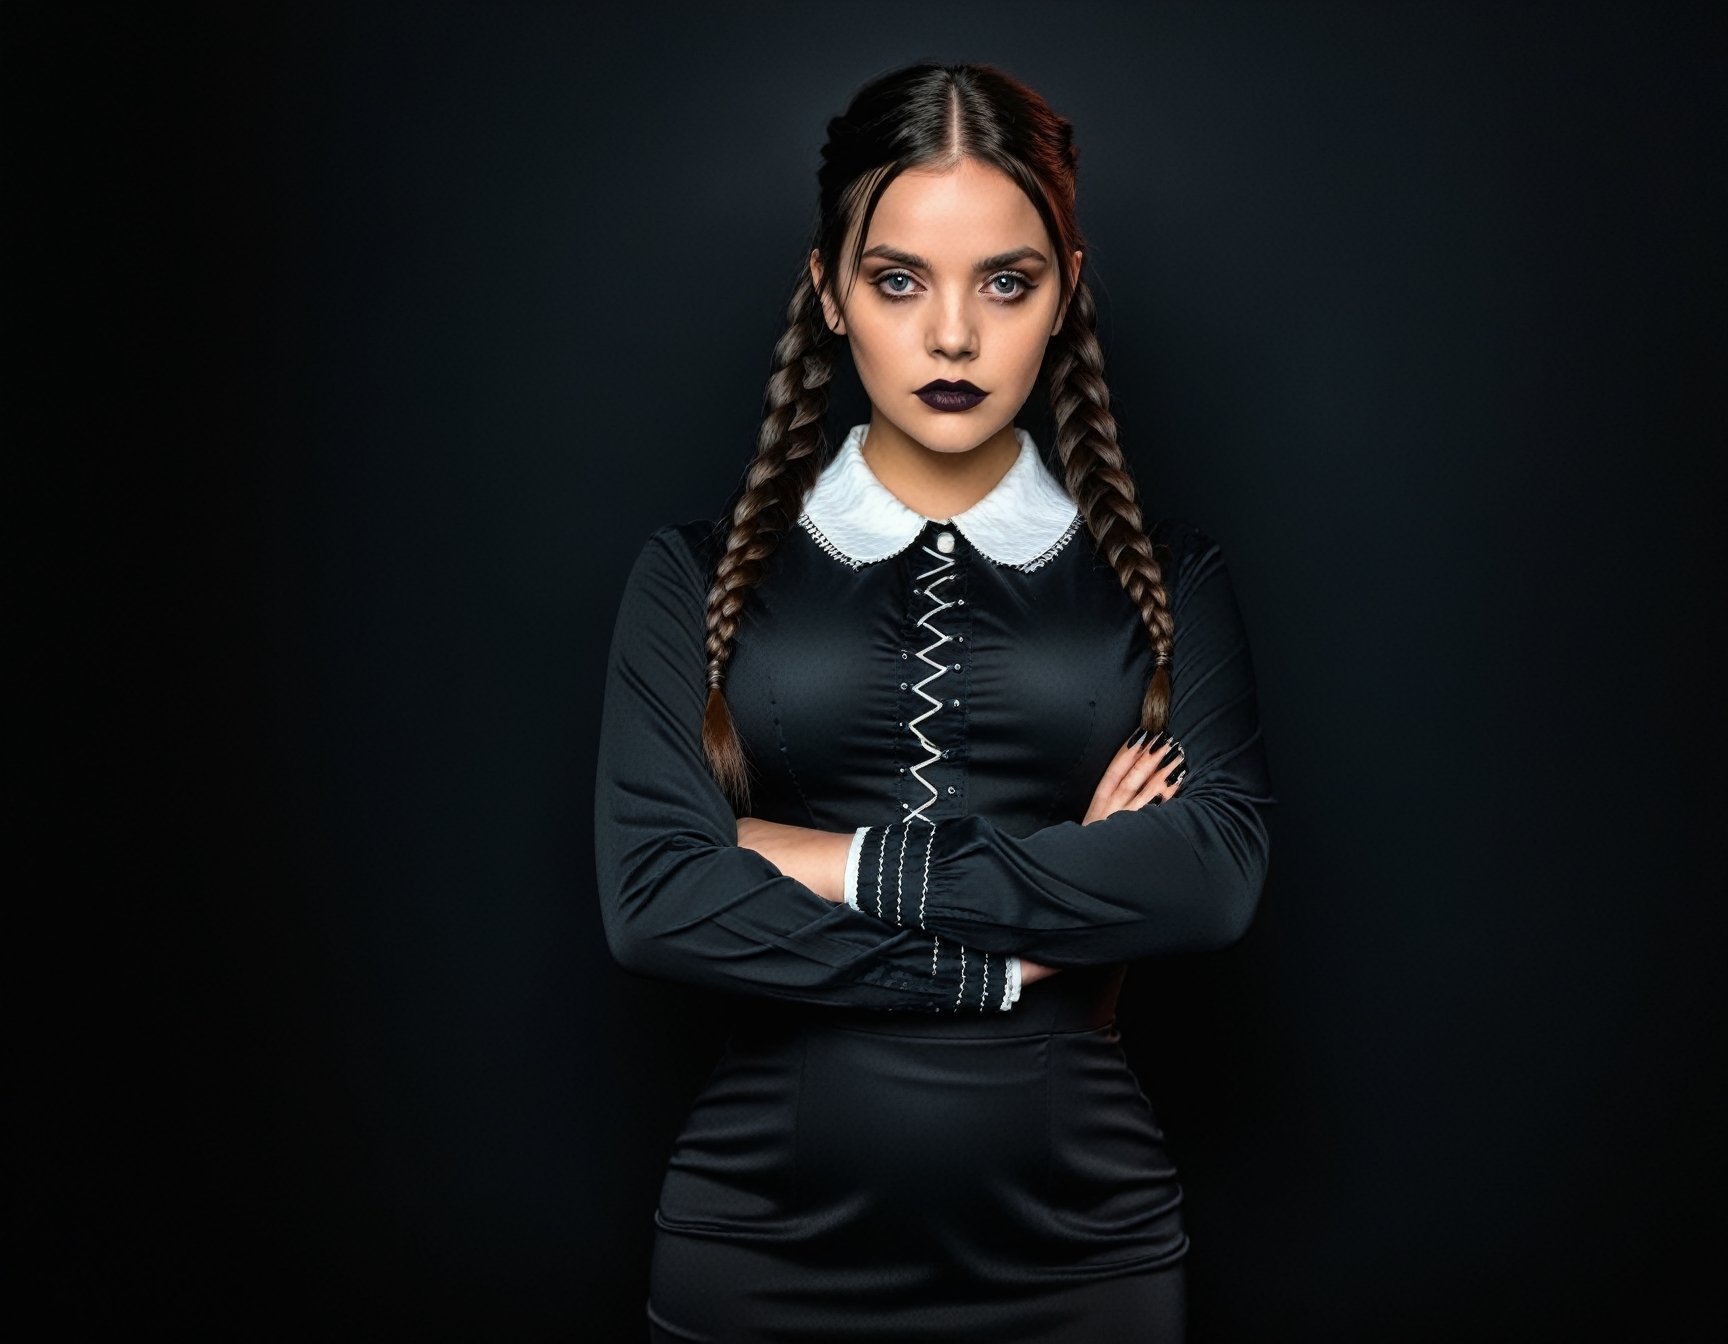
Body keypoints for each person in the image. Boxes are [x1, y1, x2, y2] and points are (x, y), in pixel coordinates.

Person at [594, 60, 1276, 1344]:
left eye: (1005, 282)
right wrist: (1032, 921)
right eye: (899, 279)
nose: (952, 336)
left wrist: (813, 857)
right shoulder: (687, 576)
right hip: (758, 1242)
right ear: (831, 295)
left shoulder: (1174, 581)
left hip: (1086, 1249)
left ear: (1066, 295)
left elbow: (1212, 880)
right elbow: (656, 899)